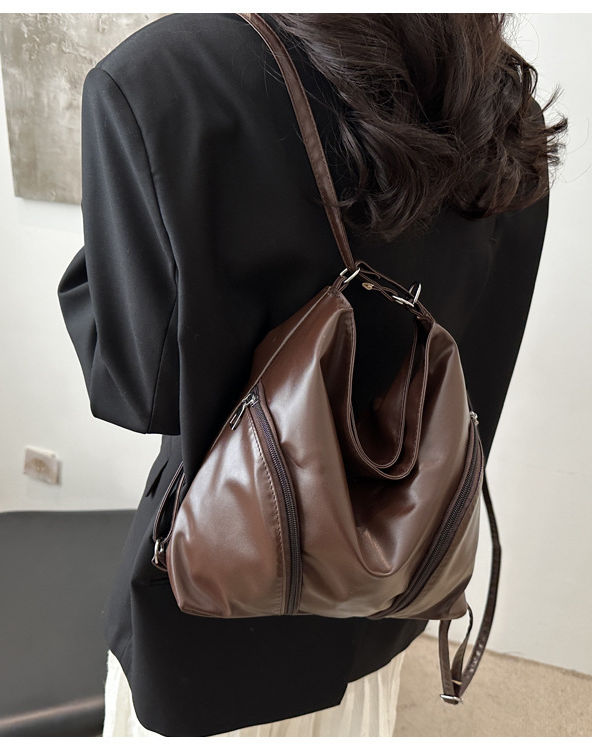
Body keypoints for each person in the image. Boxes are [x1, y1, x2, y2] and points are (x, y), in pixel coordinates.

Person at [58, 12, 566, 737]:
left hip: (222, 592)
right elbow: (484, 345)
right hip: (392, 575)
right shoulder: (500, 99)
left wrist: (100, 272)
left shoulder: (169, 75)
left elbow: (136, 388)